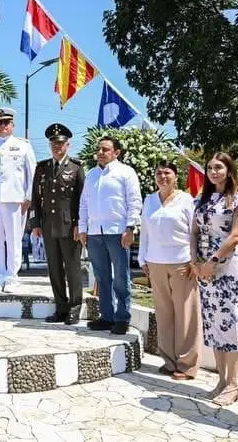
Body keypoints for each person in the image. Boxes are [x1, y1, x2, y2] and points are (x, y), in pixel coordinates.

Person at [191, 152, 238, 405]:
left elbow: (236, 236)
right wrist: (195, 262)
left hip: (225, 268)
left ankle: (234, 383)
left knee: (229, 323)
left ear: (229, 169)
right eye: (210, 168)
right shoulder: (201, 199)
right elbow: (193, 231)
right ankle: (221, 380)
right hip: (203, 269)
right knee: (213, 323)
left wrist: (212, 262)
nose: (213, 172)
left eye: (218, 167)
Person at [138, 161, 200, 380]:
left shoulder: (187, 200)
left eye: (167, 173)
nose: (163, 176)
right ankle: (169, 361)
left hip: (182, 262)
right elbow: (145, 230)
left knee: (186, 314)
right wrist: (141, 258)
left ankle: (186, 365)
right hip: (155, 262)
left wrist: (194, 261)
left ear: (176, 176)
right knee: (164, 314)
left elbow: (194, 233)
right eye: (159, 173)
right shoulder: (150, 200)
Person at [78, 136, 141, 334]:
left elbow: (134, 200)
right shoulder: (91, 175)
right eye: (99, 149)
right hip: (95, 232)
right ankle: (107, 316)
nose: (100, 152)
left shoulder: (126, 172)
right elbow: (84, 204)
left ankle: (122, 318)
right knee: (101, 277)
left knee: (121, 277)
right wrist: (82, 228)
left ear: (116, 152)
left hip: (117, 232)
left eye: (105, 149)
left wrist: (131, 227)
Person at [0, 107, 37, 293]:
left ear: (12, 125)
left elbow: (32, 173)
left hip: (14, 200)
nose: (2, 126)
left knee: (13, 239)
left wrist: (28, 197)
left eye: (6, 122)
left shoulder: (23, 145)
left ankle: (12, 278)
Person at [30, 123, 85, 324]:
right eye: (53, 143)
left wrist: (80, 224)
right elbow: (36, 197)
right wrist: (35, 222)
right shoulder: (42, 168)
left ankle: (75, 308)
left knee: (72, 269)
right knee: (54, 269)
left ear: (67, 145)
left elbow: (82, 199)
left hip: (70, 227)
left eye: (60, 143)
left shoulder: (76, 168)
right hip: (48, 226)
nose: (57, 147)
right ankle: (61, 308)